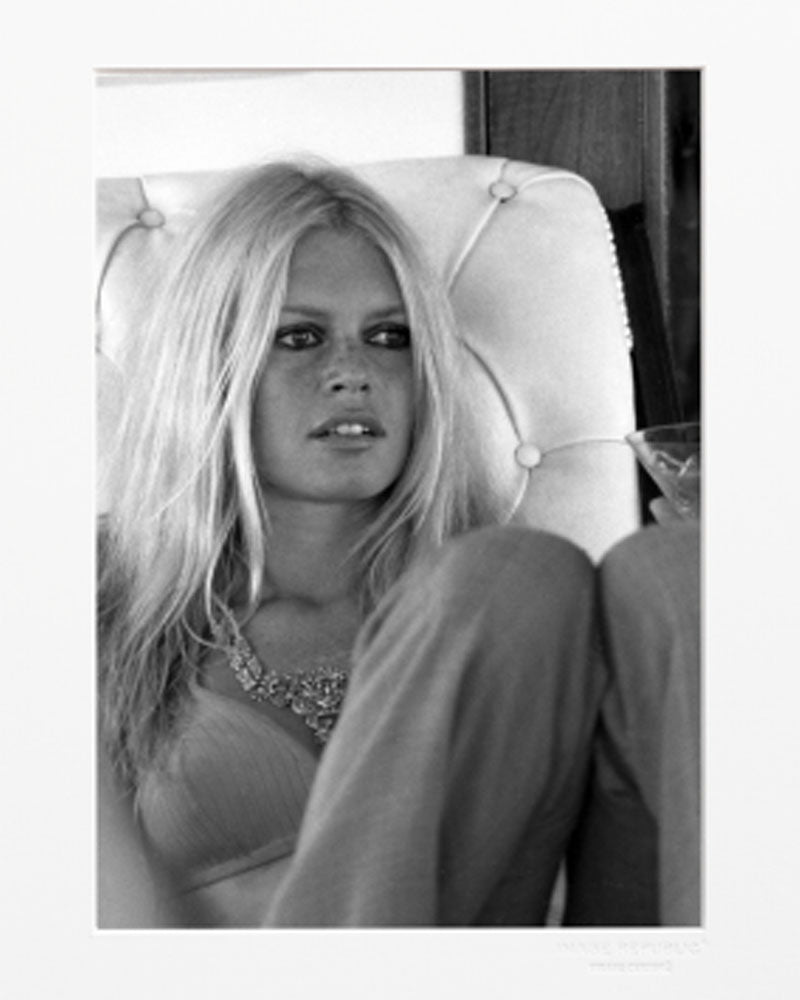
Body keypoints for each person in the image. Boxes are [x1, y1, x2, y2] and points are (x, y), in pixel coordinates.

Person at [97, 160, 699, 928]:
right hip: (222, 975)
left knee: (674, 570)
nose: (353, 372)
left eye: (389, 337)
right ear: (209, 366)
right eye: (299, 337)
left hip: (510, 960)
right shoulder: (101, 599)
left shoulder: (504, 613)